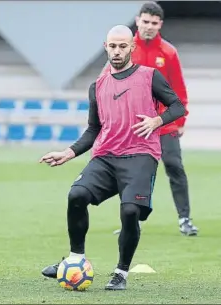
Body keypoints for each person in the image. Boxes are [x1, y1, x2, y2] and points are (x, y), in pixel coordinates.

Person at [39, 25, 185, 290]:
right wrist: (68, 153)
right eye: (112, 46)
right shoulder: (97, 86)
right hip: (106, 156)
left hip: (141, 155)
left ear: (132, 47)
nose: (117, 51)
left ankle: (121, 273)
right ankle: (75, 260)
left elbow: (178, 106)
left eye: (122, 46)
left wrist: (156, 120)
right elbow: (94, 129)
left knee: (130, 211)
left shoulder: (150, 76)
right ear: (105, 47)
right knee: (76, 195)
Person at [109, 2, 198, 236]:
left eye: (154, 23)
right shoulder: (126, 48)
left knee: (174, 167)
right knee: (135, 173)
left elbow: (179, 88)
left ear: (160, 24)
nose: (149, 26)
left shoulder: (168, 52)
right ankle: (132, 221)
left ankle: (185, 219)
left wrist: (180, 121)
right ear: (138, 20)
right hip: (135, 125)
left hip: (164, 122)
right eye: (145, 21)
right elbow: (110, 85)